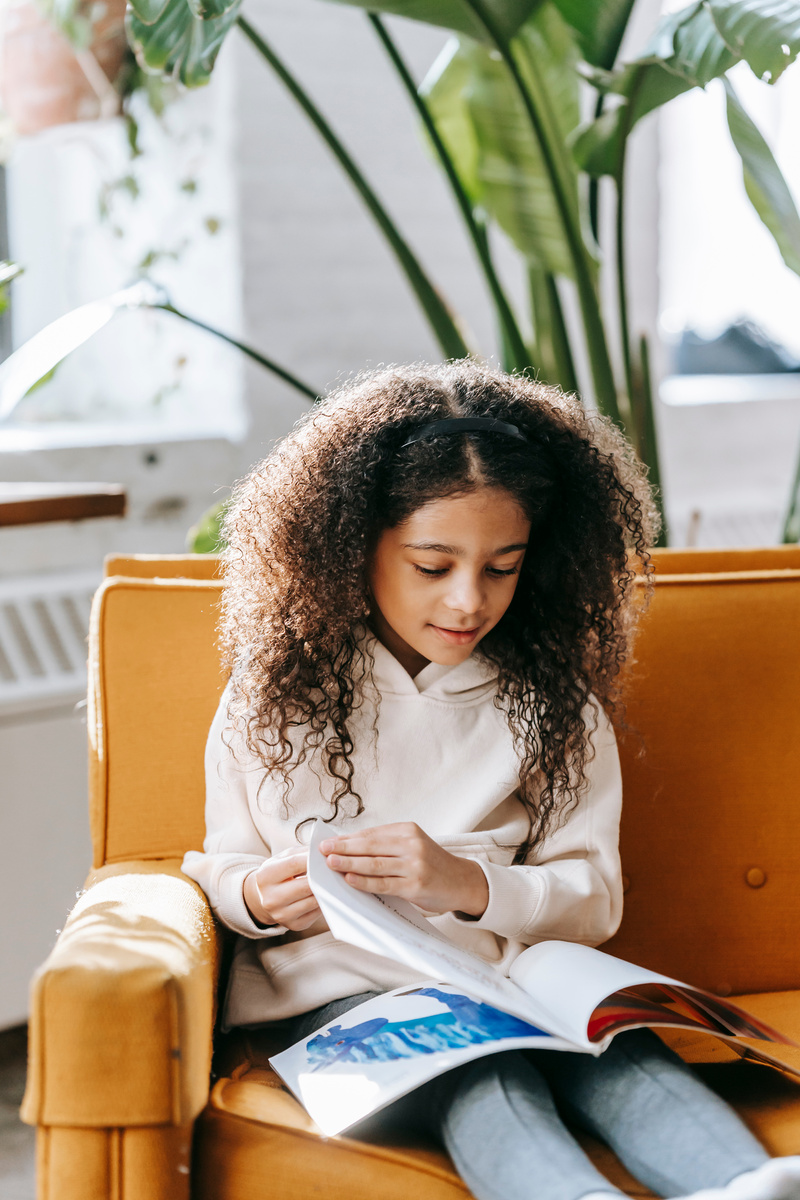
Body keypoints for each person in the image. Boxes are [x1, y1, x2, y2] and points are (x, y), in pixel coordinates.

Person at [183, 361, 800, 1200]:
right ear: (351, 545)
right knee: (485, 1074)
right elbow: (219, 864)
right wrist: (257, 895)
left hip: (516, 979)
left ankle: (749, 1185)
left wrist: (465, 884)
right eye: (433, 566)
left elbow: (593, 898)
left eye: (502, 567)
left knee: (621, 1053)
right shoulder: (272, 694)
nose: (470, 600)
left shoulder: (550, 704)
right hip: (344, 1002)